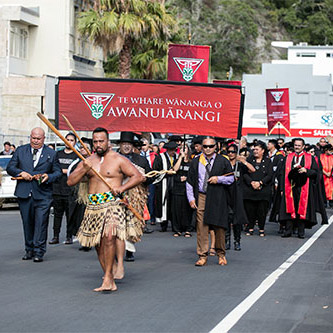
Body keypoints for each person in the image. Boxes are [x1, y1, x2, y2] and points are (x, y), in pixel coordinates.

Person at [67, 127, 144, 292]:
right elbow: (70, 181)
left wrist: (122, 189)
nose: (98, 144)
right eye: (95, 141)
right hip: (93, 206)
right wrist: (83, 169)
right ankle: (108, 274)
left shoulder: (118, 159)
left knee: (109, 237)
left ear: (108, 142)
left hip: (112, 204)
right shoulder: (88, 161)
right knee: (98, 244)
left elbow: (138, 176)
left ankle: (108, 277)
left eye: (101, 141)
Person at [7, 127, 62, 262]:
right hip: (25, 194)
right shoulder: (20, 151)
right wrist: (21, 173)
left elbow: (58, 172)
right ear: (30, 137)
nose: (35, 141)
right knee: (27, 223)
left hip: (43, 194)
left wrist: (47, 176)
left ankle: (39, 251)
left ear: (44, 139)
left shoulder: (52, 153)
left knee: (41, 223)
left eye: (38, 138)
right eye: (33, 138)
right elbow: (10, 167)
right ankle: (29, 249)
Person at [186, 137, 234, 266]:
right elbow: (190, 181)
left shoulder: (223, 161)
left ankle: (221, 254)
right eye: (205, 146)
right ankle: (202, 255)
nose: (208, 149)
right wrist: (191, 198)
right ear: (201, 147)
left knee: (219, 226)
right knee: (201, 227)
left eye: (211, 146)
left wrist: (218, 179)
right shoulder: (196, 161)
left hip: (218, 196)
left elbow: (231, 178)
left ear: (215, 147)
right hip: (201, 196)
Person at [280, 138, 324, 239]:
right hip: (290, 187)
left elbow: (316, 173)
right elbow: (282, 174)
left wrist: (306, 170)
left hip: (304, 188)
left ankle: (301, 231)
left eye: (299, 145)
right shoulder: (288, 157)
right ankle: (288, 230)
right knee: (290, 209)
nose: (297, 147)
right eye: (295, 145)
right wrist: (282, 188)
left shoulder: (310, 158)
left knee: (301, 209)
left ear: (303, 147)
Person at [49, 133, 78, 245]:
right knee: (57, 215)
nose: (69, 142)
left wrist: (63, 171)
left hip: (70, 190)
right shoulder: (58, 154)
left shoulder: (76, 156)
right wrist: (63, 171)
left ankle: (69, 236)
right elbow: (54, 168)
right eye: (67, 140)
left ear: (75, 142)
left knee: (70, 215)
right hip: (57, 189)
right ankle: (55, 236)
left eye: (71, 140)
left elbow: (76, 171)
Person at [225, 144, 254, 250]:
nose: (231, 154)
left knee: (236, 219)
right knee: (227, 217)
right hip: (227, 192)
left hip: (238, 193)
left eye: (233, 152)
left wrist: (243, 161)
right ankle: (226, 240)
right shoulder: (225, 163)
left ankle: (237, 241)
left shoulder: (240, 165)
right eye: (229, 152)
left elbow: (252, 170)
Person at [243, 141, 273, 237]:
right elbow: (244, 173)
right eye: (254, 149)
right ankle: (250, 227)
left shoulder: (268, 161)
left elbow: (270, 175)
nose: (255, 151)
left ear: (263, 151)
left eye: (257, 149)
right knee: (250, 210)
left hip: (263, 190)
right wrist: (251, 182)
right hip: (250, 190)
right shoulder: (249, 160)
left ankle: (261, 228)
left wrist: (260, 183)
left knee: (262, 211)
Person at [67, 139, 92, 251]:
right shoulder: (77, 161)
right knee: (79, 218)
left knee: (88, 218)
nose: (82, 149)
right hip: (78, 194)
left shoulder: (93, 161)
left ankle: (88, 242)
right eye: (81, 147)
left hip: (90, 194)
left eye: (85, 147)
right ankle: (83, 240)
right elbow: (70, 174)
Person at [153, 140, 178, 232]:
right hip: (163, 183)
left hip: (174, 183)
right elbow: (155, 170)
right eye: (170, 150)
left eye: (174, 150)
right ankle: (164, 224)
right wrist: (167, 172)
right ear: (166, 150)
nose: (172, 152)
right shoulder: (160, 157)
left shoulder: (177, 157)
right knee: (163, 202)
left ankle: (173, 222)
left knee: (173, 203)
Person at [172, 144, 193, 237]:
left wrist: (187, 178)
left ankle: (188, 228)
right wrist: (180, 157)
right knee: (176, 209)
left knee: (187, 209)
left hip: (187, 188)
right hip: (177, 187)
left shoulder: (192, 162)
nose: (183, 150)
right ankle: (177, 229)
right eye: (181, 149)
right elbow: (174, 170)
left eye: (185, 148)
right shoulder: (177, 160)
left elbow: (194, 175)